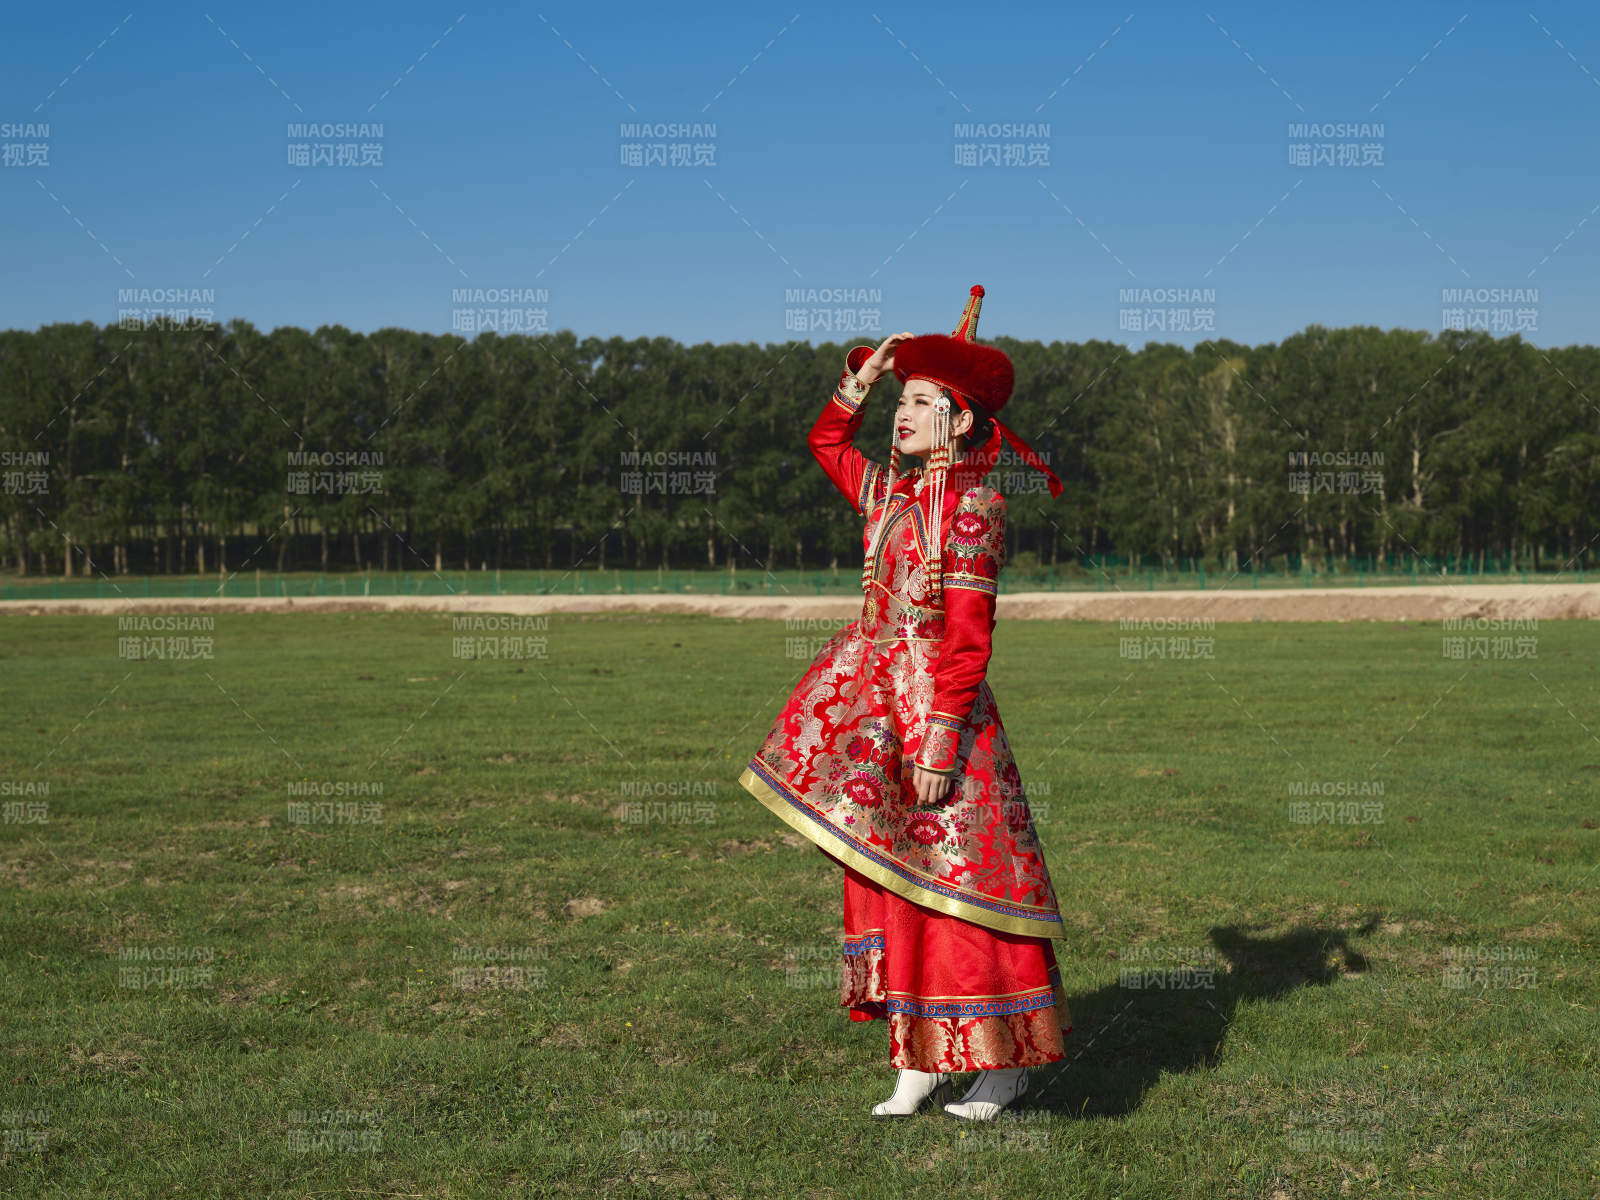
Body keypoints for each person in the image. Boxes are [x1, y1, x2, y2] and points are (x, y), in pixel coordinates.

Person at [738, 284, 1072, 1121]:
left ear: (960, 421)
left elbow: (967, 637)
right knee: (889, 880)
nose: (903, 414)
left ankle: (1001, 1065)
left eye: (920, 402)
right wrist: (864, 376)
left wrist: (940, 739)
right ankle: (916, 1061)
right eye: (901, 402)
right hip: (872, 708)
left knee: (963, 886)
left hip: (938, 719)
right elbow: (824, 438)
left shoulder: (975, 510)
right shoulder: (886, 495)